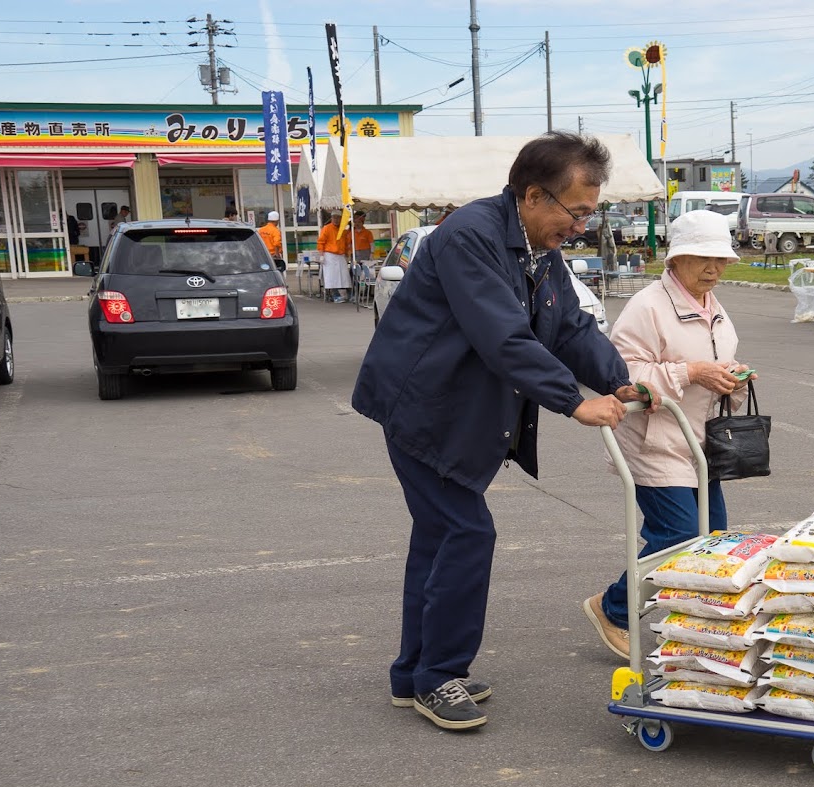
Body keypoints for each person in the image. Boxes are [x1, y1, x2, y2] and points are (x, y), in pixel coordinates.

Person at [351, 131, 652, 731]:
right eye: (578, 212)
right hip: (423, 407)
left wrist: (616, 381)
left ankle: (415, 674)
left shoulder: (538, 247)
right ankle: (438, 677)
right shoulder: (471, 235)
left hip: (458, 408)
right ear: (534, 194)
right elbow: (503, 336)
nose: (582, 226)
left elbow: (568, 326)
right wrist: (573, 402)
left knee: (439, 539)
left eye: (592, 214)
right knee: (465, 533)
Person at [583, 209, 753, 657]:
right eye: (701, 258)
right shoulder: (648, 306)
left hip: (701, 443)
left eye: (720, 259)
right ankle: (613, 608)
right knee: (678, 536)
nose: (714, 268)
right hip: (654, 443)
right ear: (675, 260)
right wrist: (693, 371)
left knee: (713, 535)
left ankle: (695, 623)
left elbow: (711, 364)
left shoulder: (712, 305)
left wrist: (731, 377)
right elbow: (622, 372)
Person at [318, 211, 349, 303]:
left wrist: (347, 254)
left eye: (338, 218)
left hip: (341, 255)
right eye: (334, 218)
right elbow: (321, 242)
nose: (336, 220)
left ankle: (344, 295)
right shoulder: (326, 228)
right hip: (329, 255)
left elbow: (346, 243)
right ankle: (335, 295)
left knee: (344, 277)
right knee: (332, 278)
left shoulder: (343, 229)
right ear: (331, 218)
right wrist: (321, 255)